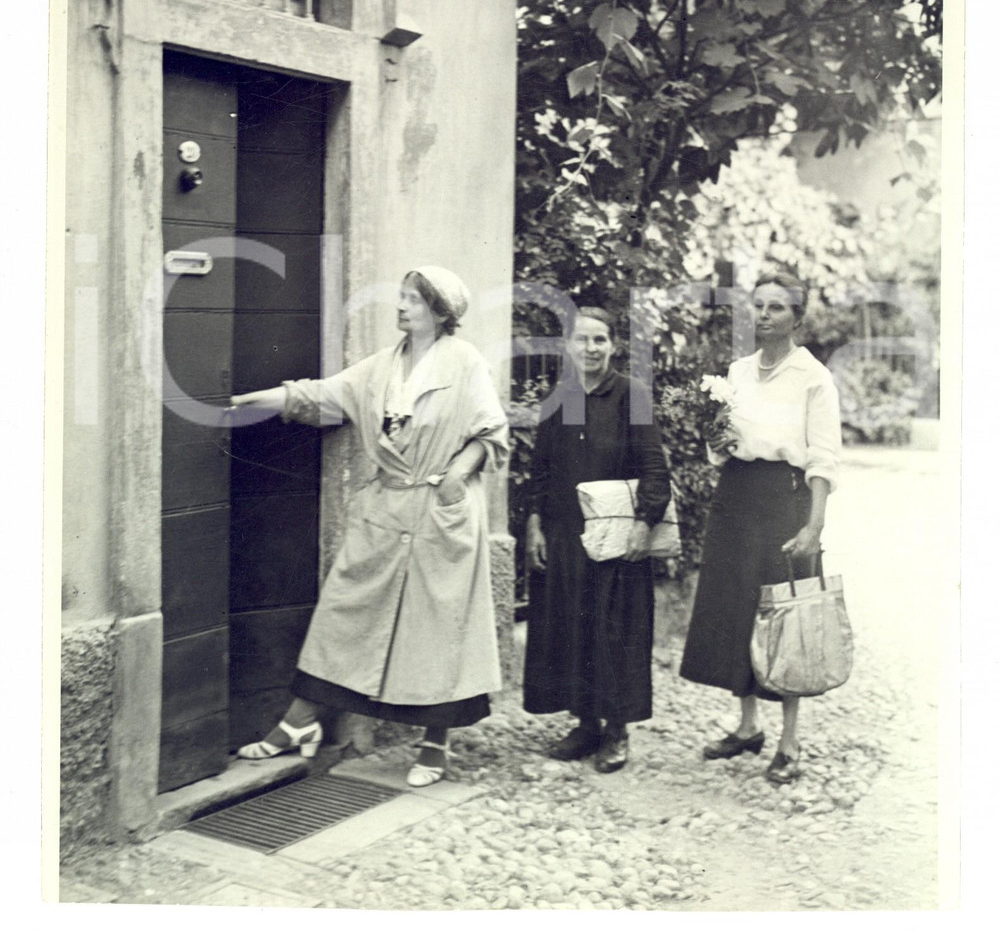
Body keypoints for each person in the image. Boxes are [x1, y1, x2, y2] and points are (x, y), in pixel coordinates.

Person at [227, 266, 509, 787]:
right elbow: (316, 397)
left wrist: (456, 476)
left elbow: (491, 432)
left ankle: (434, 744)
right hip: (387, 507)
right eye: (401, 298)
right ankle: (299, 724)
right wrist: (247, 401)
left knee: (439, 626)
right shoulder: (380, 368)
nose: (401, 308)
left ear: (441, 314)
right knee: (343, 610)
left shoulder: (465, 363)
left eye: (414, 302)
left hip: (442, 512)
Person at [679, 271, 842, 784]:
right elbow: (722, 442)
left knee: (786, 618)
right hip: (737, 495)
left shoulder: (813, 377)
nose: (765, 315)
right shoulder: (739, 371)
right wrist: (715, 435)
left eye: (777, 307)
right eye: (759, 306)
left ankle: (790, 739)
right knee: (735, 608)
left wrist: (815, 525)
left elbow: (823, 457)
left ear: (798, 316)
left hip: (784, 502)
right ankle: (748, 726)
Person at [522, 306, 672, 773]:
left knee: (615, 633)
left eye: (599, 340)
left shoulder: (633, 394)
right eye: (582, 340)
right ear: (568, 345)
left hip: (617, 539)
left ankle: (616, 731)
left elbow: (654, 468)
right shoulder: (558, 399)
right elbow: (540, 471)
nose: (590, 349)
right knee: (572, 628)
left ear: (614, 345)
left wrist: (644, 525)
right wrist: (532, 524)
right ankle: (585, 725)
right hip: (566, 534)